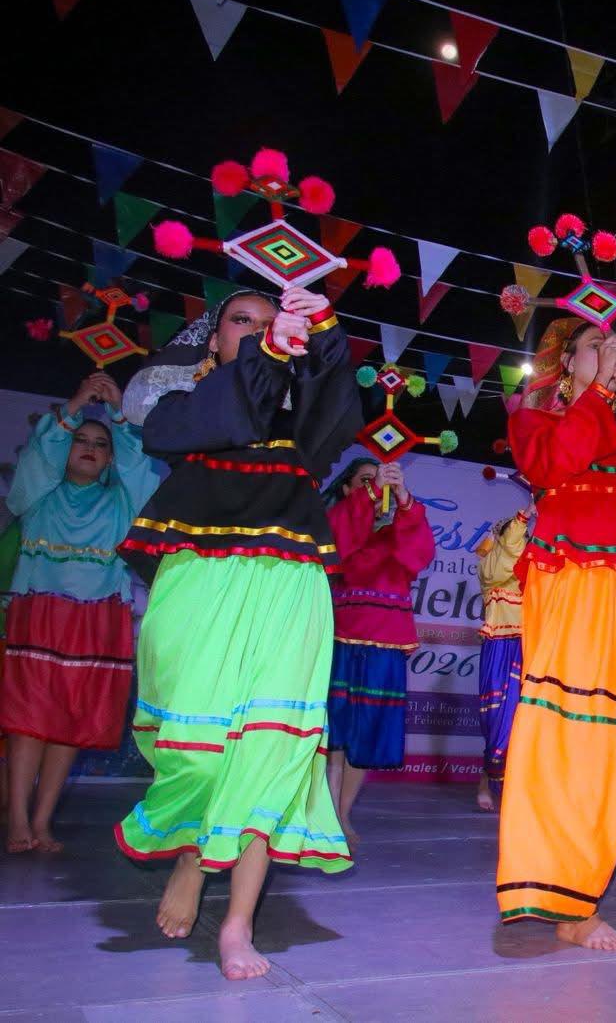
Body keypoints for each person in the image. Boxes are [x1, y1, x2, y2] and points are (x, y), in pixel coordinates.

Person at [115, 286, 359, 980]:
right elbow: (233, 408)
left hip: (289, 584)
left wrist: (322, 326)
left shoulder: (300, 424)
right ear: (213, 338)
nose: (257, 332)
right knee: (196, 750)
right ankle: (193, 858)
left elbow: (335, 399)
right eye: (242, 323)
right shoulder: (180, 407)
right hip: (202, 578)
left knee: (271, 750)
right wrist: (266, 354)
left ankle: (238, 922)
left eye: (271, 323)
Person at [496, 319, 616, 952]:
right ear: (566, 360)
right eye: (597, 349)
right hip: (570, 572)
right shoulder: (535, 411)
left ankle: (583, 889)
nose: (611, 358)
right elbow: (553, 464)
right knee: (568, 731)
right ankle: (561, 896)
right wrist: (599, 396)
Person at [2, 372, 158, 853]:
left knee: (67, 722)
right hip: (40, 613)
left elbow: (141, 466)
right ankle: (17, 822)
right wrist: (73, 408)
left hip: (96, 621)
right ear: (64, 448)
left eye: (100, 444)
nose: (89, 448)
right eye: (80, 441)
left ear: (110, 458)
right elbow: (36, 462)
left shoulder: (121, 503)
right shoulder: (38, 497)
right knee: (29, 721)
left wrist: (116, 413)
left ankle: (43, 823)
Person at [323, 458, 435, 847]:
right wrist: (369, 496)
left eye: (381, 481)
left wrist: (404, 498)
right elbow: (338, 544)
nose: (377, 488)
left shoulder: (397, 531)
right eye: (366, 481)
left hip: (385, 641)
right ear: (347, 488)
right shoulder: (339, 521)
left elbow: (418, 554)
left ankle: (342, 813)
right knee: (332, 733)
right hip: (339, 637)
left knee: (366, 734)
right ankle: (324, 812)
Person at [474, 505, 530, 811]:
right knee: (497, 719)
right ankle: (486, 778)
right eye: (512, 534)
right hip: (500, 645)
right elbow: (504, 563)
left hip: (530, 645)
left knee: (524, 720)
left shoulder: (532, 569)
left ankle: (518, 789)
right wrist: (523, 517)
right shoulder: (490, 567)